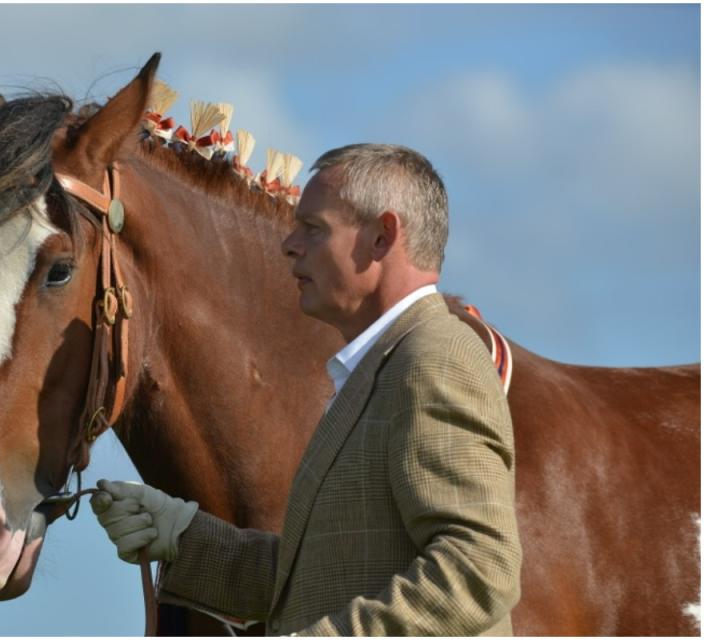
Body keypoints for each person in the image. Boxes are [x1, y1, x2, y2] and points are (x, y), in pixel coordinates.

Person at [91, 144, 522, 636]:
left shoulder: (434, 360)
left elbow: (480, 569)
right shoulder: (383, 366)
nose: (289, 244)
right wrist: (181, 537)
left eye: (313, 228)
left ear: (382, 237)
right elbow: (319, 578)